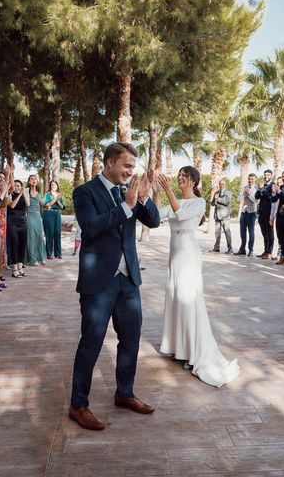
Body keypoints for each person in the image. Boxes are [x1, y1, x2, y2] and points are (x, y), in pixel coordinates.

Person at [69, 142, 160, 431]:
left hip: (128, 280)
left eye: (133, 167)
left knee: (131, 339)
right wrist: (127, 206)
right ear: (109, 163)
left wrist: (143, 199)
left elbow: (154, 222)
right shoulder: (85, 192)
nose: (130, 172)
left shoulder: (129, 193)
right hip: (98, 282)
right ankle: (78, 405)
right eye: (127, 166)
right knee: (92, 343)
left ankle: (125, 393)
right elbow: (92, 228)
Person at [158, 167, 240, 387]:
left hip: (188, 255)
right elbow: (156, 217)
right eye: (179, 176)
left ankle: (193, 353)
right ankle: (178, 348)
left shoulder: (198, 203)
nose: (180, 178)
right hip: (174, 255)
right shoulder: (175, 200)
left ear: (194, 181)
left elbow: (182, 215)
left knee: (188, 301)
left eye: (185, 176)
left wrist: (167, 191)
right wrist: (153, 192)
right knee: (175, 298)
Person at [6, 179, 28, 277]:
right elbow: (12, 205)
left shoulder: (24, 195)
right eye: (15, 185)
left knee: (22, 244)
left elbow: (28, 204)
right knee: (14, 244)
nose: (17, 187)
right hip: (12, 223)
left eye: (18, 185)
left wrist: (23, 194)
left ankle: (20, 266)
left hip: (22, 222)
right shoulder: (10, 195)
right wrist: (19, 195)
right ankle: (14, 268)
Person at [25, 175, 47, 266]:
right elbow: (26, 204)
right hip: (29, 215)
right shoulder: (26, 191)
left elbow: (43, 204)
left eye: (35, 179)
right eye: (32, 179)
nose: (34, 180)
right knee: (31, 237)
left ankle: (41, 257)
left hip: (38, 217)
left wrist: (54, 199)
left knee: (39, 236)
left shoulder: (38, 193)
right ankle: (32, 259)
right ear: (29, 181)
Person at [255, 170, 276, 259]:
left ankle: (269, 252)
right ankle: (266, 250)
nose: (266, 176)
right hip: (262, 212)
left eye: (268, 175)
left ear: (271, 176)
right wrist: (260, 189)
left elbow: (270, 197)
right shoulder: (263, 185)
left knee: (270, 233)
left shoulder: (273, 185)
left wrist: (263, 189)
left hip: (269, 213)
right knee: (264, 233)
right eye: (265, 175)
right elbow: (256, 197)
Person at [236, 174, 258, 256]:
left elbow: (256, 201)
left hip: (252, 213)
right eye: (249, 179)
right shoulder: (244, 187)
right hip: (244, 212)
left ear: (255, 179)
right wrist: (244, 194)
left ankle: (251, 250)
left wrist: (248, 195)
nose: (250, 180)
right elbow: (239, 199)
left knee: (251, 232)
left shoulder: (256, 188)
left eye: (252, 179)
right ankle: (242, 249)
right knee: (242, 232)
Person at [43, 180, 65, 260]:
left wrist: (58, 200)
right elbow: (47, 205)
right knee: (49, 234)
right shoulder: (47, 195)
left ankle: (58, 253)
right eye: (51, 185)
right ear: (50, 186)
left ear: (57, 186)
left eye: (55, 185)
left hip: (57, 214)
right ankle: (49, 254)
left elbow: (62, 207)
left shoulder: (59, 195)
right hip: (49, 214)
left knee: (57, 233)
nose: (53, 186)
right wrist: (55, 199)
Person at [209, 179, 232, 254]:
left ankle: (230, 248)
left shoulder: (228, 193)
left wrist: (218, 199)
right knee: (217, 233)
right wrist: (213, 198)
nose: (221, 186)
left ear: (225, 185)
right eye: (220, 184)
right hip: (217, 216)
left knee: (227, 232)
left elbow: (226, 202)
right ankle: (216, 248)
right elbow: (212, 204)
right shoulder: (216, 192)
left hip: (225, 216)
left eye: (222, 184)